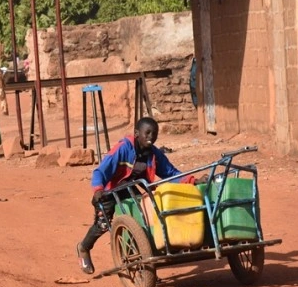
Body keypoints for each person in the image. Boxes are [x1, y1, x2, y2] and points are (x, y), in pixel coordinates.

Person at [76, 117, 207, 274]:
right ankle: (84, 247)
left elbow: (171, 173)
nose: (151, 137)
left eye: (155, 134)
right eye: (147, 133)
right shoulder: (123, 148)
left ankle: (141, 256)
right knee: (103, 224)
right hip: (108, 191)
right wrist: (98, 190)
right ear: (137, 133)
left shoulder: (153, 154)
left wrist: (193, 180)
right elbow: (100, 171)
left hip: (129, 189)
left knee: (142, 216)